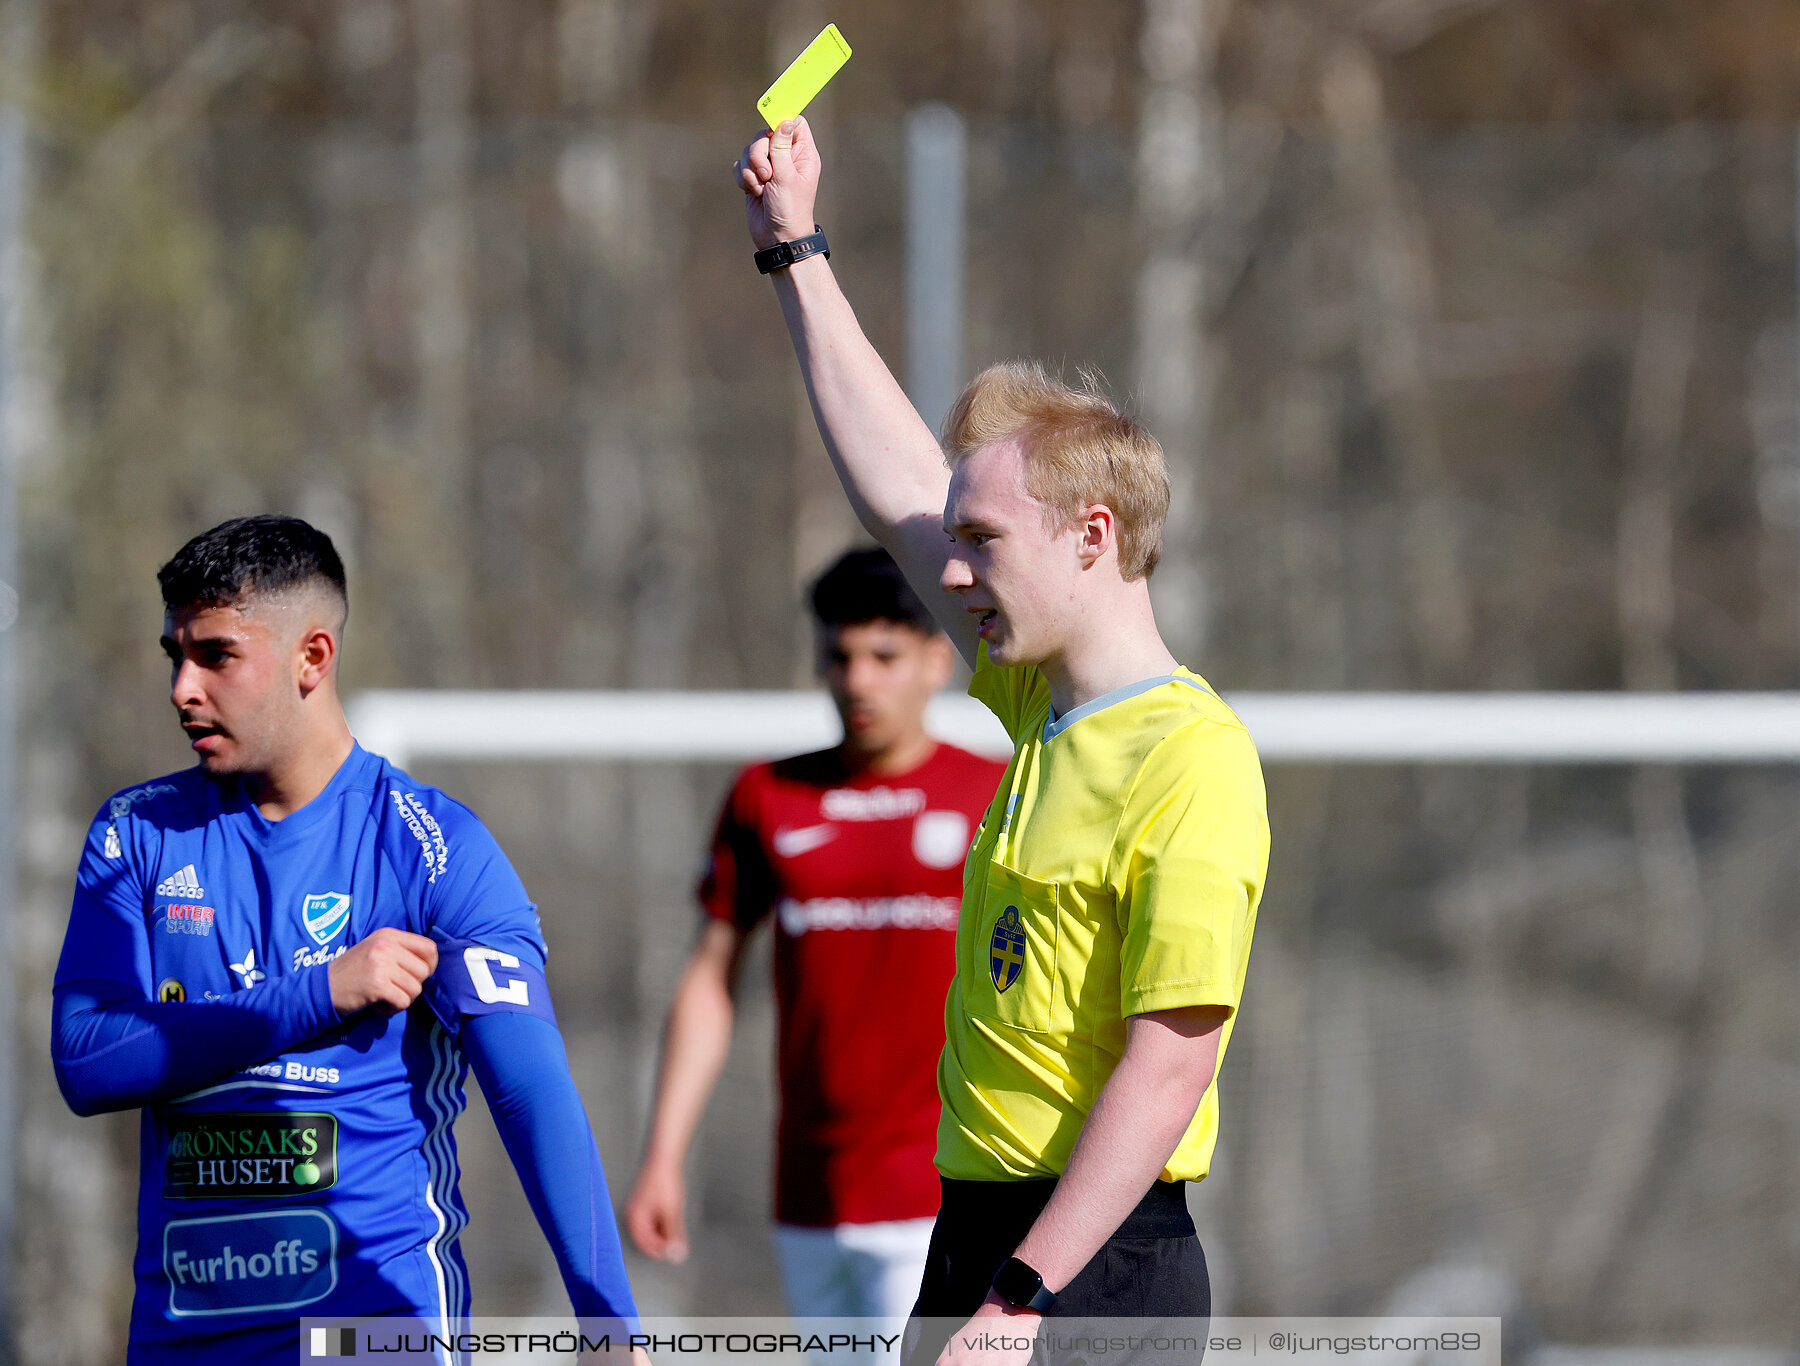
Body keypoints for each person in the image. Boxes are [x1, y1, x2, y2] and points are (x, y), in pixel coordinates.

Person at [732, 120, 1270, 1365]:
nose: (952, 566)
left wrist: (1025, 1295)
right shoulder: (1041, 703)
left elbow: (1169, 1066)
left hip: (1092, 1265)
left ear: (1092, 537)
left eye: (986, 541)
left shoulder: (1192, 757)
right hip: (975, 1236)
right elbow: (894, 483)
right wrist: (795, 250)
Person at [50, 515, 641, 1365]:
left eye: (215, 655)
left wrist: (608, 1322)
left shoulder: (433, 846)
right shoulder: (137, 831)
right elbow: (88, 1061)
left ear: (312, 658)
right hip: (185, 1339)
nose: (182, 686)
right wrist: (322, 990)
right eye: (173, 655)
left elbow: (530, 1093)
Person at [624, 548, 1005, 1338]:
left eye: (884, 656)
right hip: (807, 1193)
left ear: (939, 659)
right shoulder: (768, 795)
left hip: (950, 1186)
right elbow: (710, 976)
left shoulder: (996, 791)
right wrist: (665, 1153)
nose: (858, 680)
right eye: (840, 656)